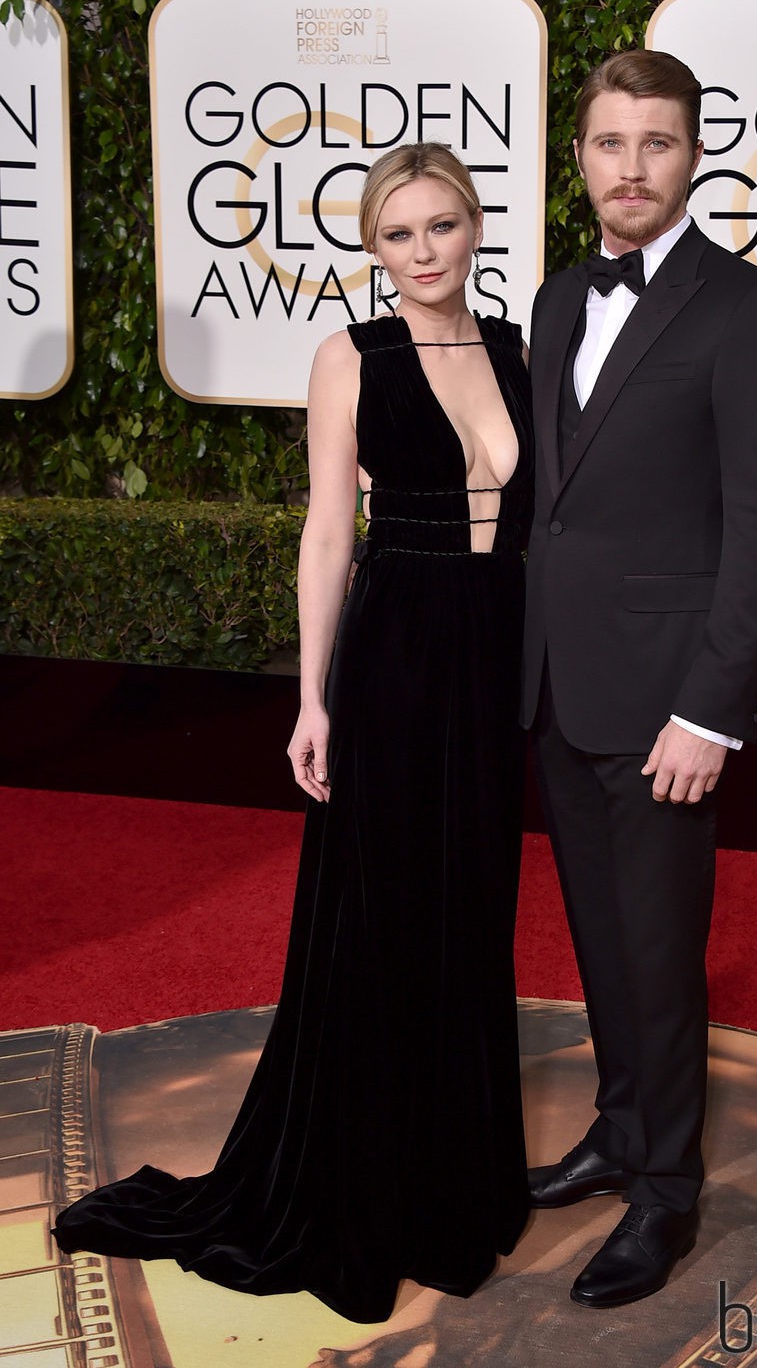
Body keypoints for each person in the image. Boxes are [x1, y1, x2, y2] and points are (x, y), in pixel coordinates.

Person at [53, 142, 533, 1325]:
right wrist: (311, 697)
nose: (422, 253)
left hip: (494, 653)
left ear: (475, 226)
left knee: (470, 910)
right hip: (396, 653)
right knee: (377, 919)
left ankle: (452, 1184)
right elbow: (328, 535)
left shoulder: (519, 348)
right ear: (375, 251)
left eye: (440, 227)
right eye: (396, 235)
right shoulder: (349, 357)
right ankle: (361, 1188)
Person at [522, 51, 757, 1309]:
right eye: (606, 143)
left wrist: (711, 709)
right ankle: (620, 1128)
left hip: (667, 705)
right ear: (578, 156)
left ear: (690, 154)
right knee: (598, 936)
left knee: (659, 945)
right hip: (557, 685)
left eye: (653, 143)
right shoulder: (551, 300)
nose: (628, 168)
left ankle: (666, 1194)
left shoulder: (748, 310)